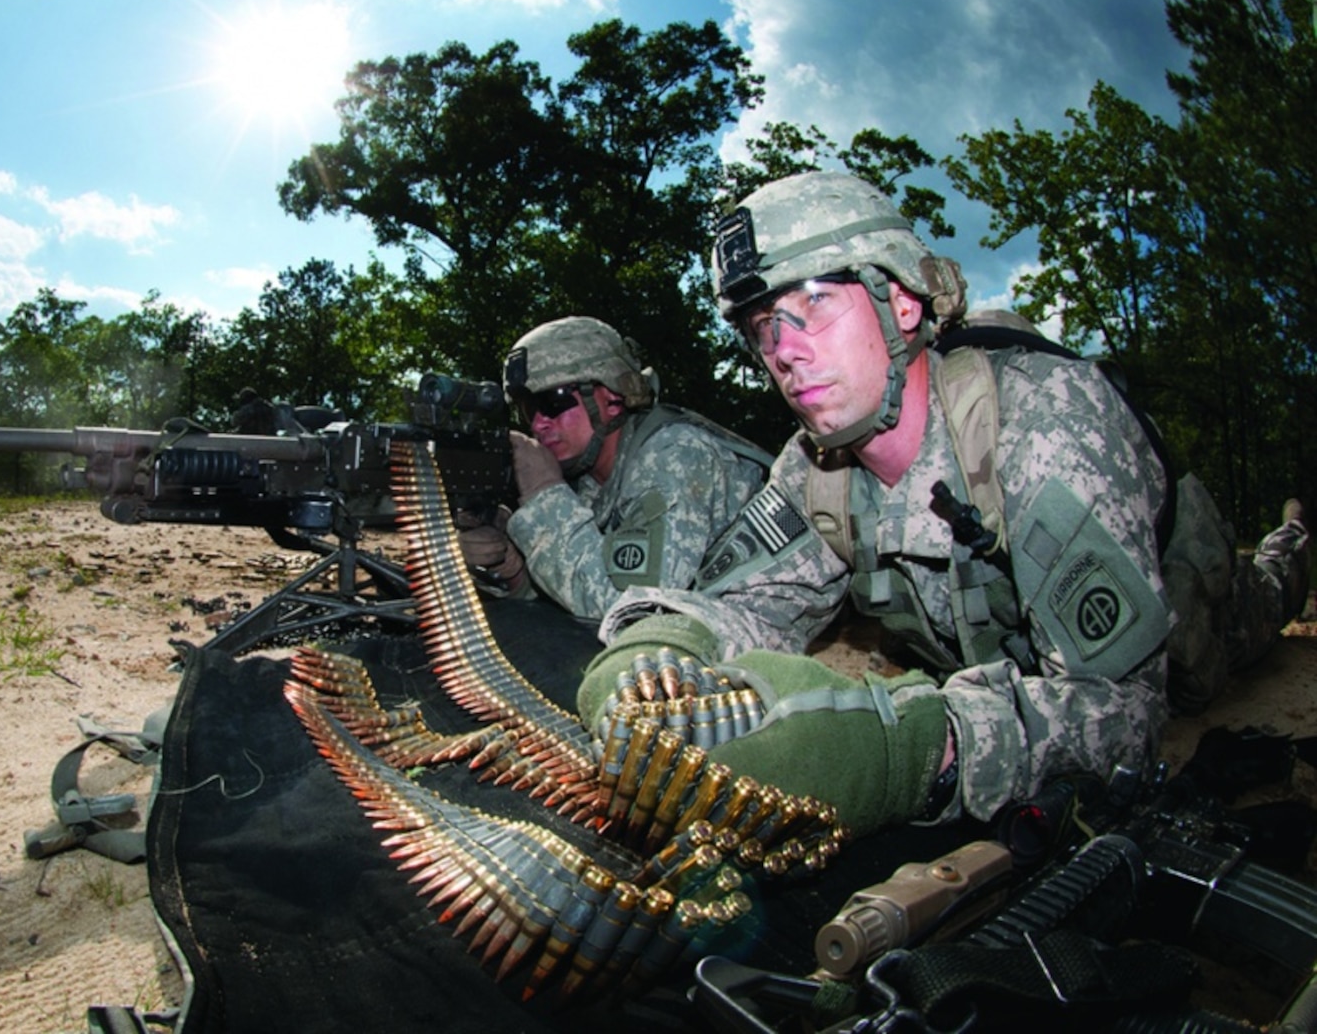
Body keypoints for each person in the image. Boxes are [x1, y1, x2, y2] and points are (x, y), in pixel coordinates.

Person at [576, 171, 1311, 838]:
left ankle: (1293, 540)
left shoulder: (1044, 421)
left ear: (900, 300)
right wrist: (660, 644)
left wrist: (914, 750)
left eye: (813, 305)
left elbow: (1120, 712)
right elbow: (747, 601)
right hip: (1000, 663)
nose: (784, 350)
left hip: (1188, 602)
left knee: (1253, 609)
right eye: (762, 327)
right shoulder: (814, 469)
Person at [457, 315, 772, 622]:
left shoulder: (676, 457)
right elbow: (571, 597)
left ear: (612, 398)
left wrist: (543, 497)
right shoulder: (589, 480)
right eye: (529, 408)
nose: (539, 422)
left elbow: (627, 611)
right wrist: (513, 568)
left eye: (554, 401)